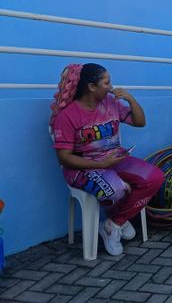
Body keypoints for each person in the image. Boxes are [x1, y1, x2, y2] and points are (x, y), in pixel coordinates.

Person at [49, 63, 164, 256]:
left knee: (155, 177)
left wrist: (130, 99)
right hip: (83, 168)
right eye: (106, 82)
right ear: (91, 87)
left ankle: (113, 224)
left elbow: (140, 122)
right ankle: (118, 221)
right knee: (116, 189)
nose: (111, 87)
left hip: (115, 159)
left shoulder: (111, 103)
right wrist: (101, 164)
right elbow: (64, 158)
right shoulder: (67, 116)